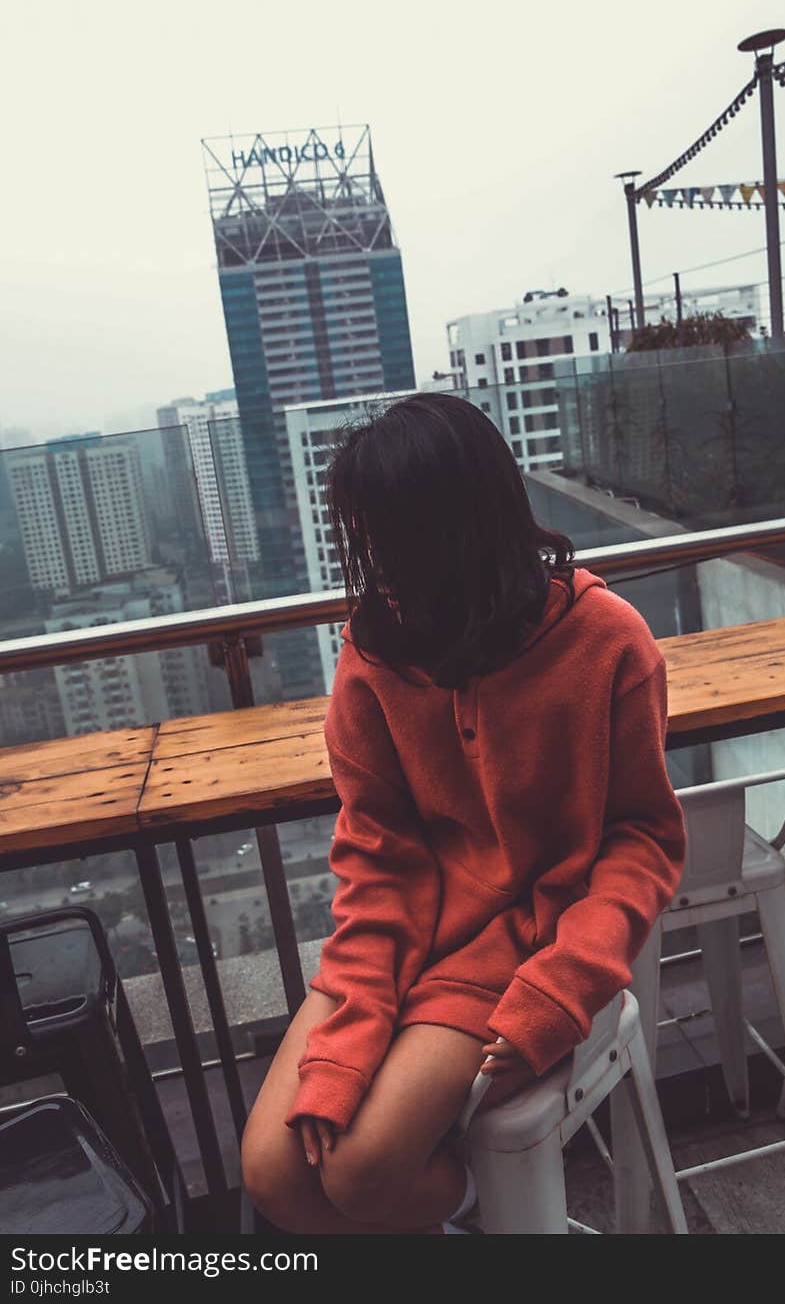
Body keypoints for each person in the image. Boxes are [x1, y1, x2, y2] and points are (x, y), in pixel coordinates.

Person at [241, 391, 687, 1234]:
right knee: (275, 1173)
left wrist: (565, 986)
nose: (377, 562)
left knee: (364, 1172)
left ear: (462, 524)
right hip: (401, 935)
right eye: (366, 536)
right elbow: (377, 856)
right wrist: (345, 1041)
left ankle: (463, 1202)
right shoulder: (375, 654)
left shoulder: (608, 642)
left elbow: (643, 839)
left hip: (518, 942)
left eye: (392, 536)